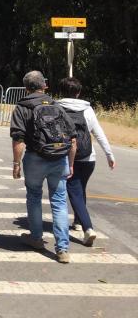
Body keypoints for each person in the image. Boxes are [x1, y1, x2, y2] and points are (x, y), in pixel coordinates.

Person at [10, 70, 77, 264]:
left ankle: (36, 238)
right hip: (59, 159)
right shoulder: (57, 105)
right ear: (44, 86)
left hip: (35, 158)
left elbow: (18, 139)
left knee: (34, 196)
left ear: (26, 88)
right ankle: (63, 249)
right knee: (59, 201)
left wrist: (16, 164)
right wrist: (70, 163)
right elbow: (72, 140)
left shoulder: (23, 107)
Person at [57, 77, 116, 247]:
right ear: (79, 92)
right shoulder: (87, 109)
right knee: (80, 188)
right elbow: (99, 133)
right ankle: (77, 220)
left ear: (61, 92)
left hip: (68, 157)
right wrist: (109, 155)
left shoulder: (58, 107)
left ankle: (88, 228)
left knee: (74, 190)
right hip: (89, 158)